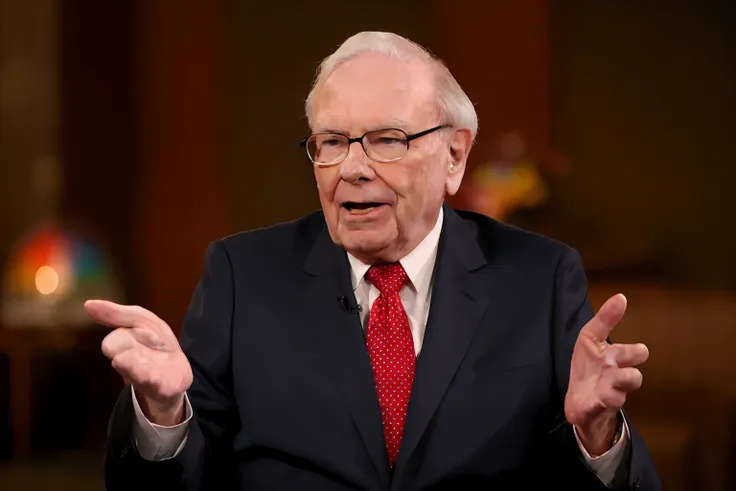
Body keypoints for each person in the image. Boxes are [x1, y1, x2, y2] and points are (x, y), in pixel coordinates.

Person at [86, 31, 660, 490]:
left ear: (454, 156)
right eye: (332, 142)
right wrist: (163, 416)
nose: (352, 168)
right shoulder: (243, 275)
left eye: (387, 140)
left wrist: (598, 436)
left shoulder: (539, 277)